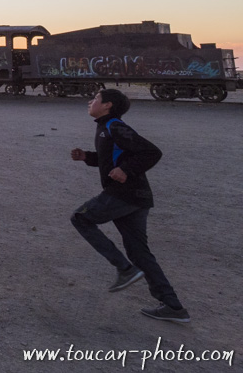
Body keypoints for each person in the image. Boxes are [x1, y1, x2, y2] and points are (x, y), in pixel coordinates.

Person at [69, 88, 189, 323]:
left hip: (124, 194)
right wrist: (87, 157)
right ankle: (173, 307)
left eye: (95, 99)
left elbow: (151, 152)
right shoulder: (105, 127)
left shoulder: (115, 126)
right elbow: (112, 158)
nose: (90, 101)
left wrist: (126, 170)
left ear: (108, 105)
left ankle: (124, 269)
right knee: (139, 252)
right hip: (136, 197)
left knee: (80, 218)